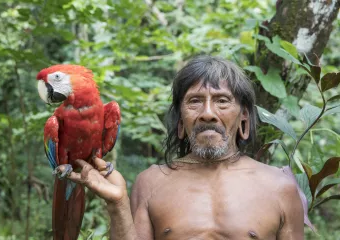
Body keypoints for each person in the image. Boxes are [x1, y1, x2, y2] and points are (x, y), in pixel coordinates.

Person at [58, 55, 304, 239]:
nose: (208, 113)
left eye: (222, 101)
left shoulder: (279, 187)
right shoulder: (151, 183)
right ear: (180, 121)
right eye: (195, 101)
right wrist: (118, 204)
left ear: (244, 118)